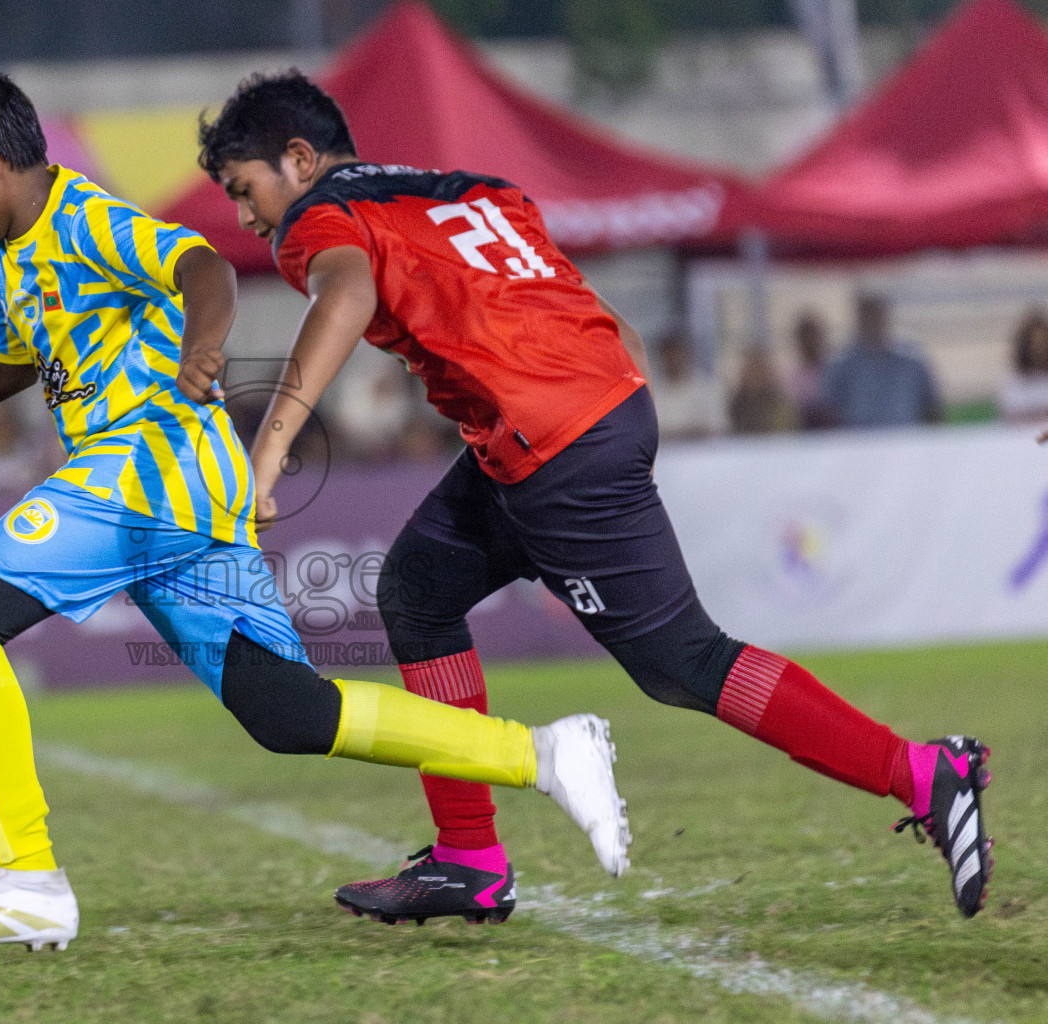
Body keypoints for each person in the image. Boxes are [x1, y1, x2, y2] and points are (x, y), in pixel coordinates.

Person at [0, 64, 629, 952]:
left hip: (143, 470)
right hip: (185, 499)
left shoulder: (83, 219)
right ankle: (543, 754)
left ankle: (27, 879)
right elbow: (9, 360)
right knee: (288, 714)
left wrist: (205, 346)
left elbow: (202, 266)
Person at [200, 69, 993, 921]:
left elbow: (346, 293)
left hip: (555, 441)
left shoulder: (319, 221)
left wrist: (270, 447)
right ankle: (468, 858)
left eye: (246, 191)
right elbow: (601, 317)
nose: (248, 219)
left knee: (684, 663)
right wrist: (611, 417)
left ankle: (924, 771)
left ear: (298, 156)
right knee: (417, 593)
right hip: (577, 417)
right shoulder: (473, 191)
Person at [824, 294, 942, 428]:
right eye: (868, 315)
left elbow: (932, 405)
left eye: (877, 314)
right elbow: (829, 408)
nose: (873, 320)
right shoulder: (843, 363)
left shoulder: (911, 360)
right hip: (858, 442)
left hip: (906, 439)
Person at [648, 328, 727, 441]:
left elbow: (717, 429)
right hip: (663, 456)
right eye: (669, 353)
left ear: (687, 354)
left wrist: (679, 436)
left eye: (677, 352)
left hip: (702, 455)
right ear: (661, 356)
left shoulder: (707, 388)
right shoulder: (650, 391)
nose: (673, 358)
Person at [728, 348, 798, 435]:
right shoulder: (734, 406)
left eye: (759, 369)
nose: (755, 375)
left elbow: (784, 434)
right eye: (752, 370)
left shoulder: (780, 405)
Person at [787, 312, 837, 430]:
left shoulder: (837, 373)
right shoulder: (790, 379)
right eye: (806, 338)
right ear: (799, 342)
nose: (811, 343)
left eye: (814, 337)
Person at [998, 308, 1048, 424]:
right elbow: (1012, 412)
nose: (1038, 350)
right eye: (1035, 344)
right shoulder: (1013, 377)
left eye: (1043, 344)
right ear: (1026, 346)